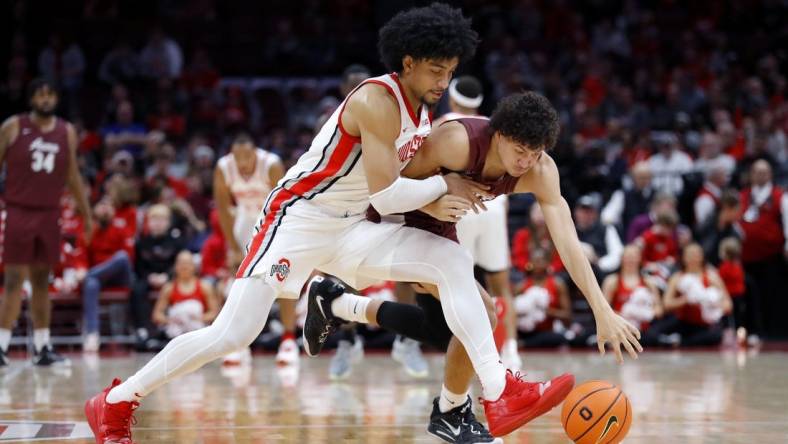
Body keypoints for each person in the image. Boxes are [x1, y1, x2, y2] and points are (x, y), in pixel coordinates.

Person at [85, 5, 584, 442]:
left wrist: (436, 201)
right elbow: (389, 192)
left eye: (449, 72)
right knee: (232, 335)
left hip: (352, 225)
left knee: (453, 261)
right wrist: (443, 189)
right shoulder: (376, 101)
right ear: (407, 62)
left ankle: (497, 392)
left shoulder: (423, 114)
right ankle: (117, 400)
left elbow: (386, 199)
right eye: (435, 70)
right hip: (297, 220)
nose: (442, 83)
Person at [307, 92, 642, 440]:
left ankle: (335, 302)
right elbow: (387, 188)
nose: (526, 161)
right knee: (480, 314)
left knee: (448, 332)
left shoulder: (542, 171)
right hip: (390, 223)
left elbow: (568, 243)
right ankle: (454, 410)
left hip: (440, 231)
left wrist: (601, 309)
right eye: (520, 151)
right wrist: (435, 202)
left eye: (535, 152)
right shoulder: (456, 142)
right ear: (498, 135)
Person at [0, 78, 93, 366]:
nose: (45, 99)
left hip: (49, 213)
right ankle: (1, 346)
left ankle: (42, 347)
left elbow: (73, 176)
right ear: (31, 99)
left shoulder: (66, 132)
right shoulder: (13, 126)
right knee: (14, 278)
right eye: (39, 94)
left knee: (43, 280)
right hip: (18, 210)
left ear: (55, 98)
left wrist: (86, 214)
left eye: (49, 94)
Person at [434, 75, 522, 370]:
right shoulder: (493, 126)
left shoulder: (446, 124)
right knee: (500, 284)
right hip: (496, 207)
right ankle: (510, 348)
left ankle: (467, 352)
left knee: (462, 285)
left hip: (465, 205)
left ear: (453, 99)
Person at [213, 132, 292, 364]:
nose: (243, 162)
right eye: (238, 157)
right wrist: (233, 246)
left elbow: (285, 203)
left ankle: (287, 340)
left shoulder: (271, 164)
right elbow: (223, 209)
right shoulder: (223, 167)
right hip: (245, 222)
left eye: (247, 156)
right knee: (238, 280)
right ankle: (239, 344)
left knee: (282, 275)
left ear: (255, 152)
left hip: (274, 221)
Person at [656, 243, 732, 347]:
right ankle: (679, 340)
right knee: (654, 333)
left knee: (715, 335)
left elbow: (728, 304)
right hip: (682, 321)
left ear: (702, 257)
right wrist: (685, 300)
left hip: (704, 324)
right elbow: (666, 304)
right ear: (683, 258)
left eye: (696, 254)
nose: (693, 258)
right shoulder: (677, 277)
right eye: (690, 255)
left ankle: (681, 342)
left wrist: (713, 304)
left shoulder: (711, 276)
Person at [151, 251, 220, 340]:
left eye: (187, 263)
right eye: (181, 263)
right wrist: (170, 320)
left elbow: (214, 313)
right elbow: (157, 315)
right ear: (175, 266)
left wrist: (199, 318)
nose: (184, 267)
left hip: (198, 332)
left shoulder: (205, 287)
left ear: (194, 267)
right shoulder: (169, 288)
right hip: (177, 333)